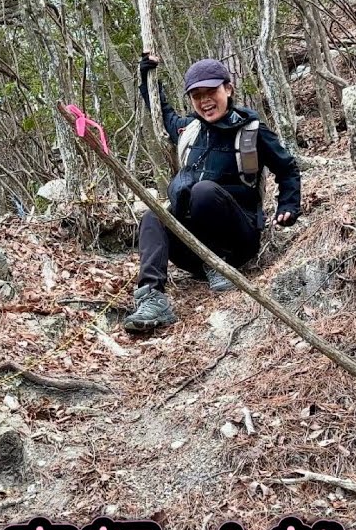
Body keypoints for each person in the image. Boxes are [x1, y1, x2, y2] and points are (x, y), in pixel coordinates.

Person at [123, 54, 301, 333]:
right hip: (194, 252)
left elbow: (287, 169)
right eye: (197, 95)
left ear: (228, 89)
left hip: (237, 243)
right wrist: (148, 76)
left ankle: (218, 264)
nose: (205, 101)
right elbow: (160, 109)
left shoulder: (252, 131)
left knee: (203, 191)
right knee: (153, 216)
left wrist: (287, 206)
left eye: (211, 92)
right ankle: (152, 297)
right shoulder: (188, 130)